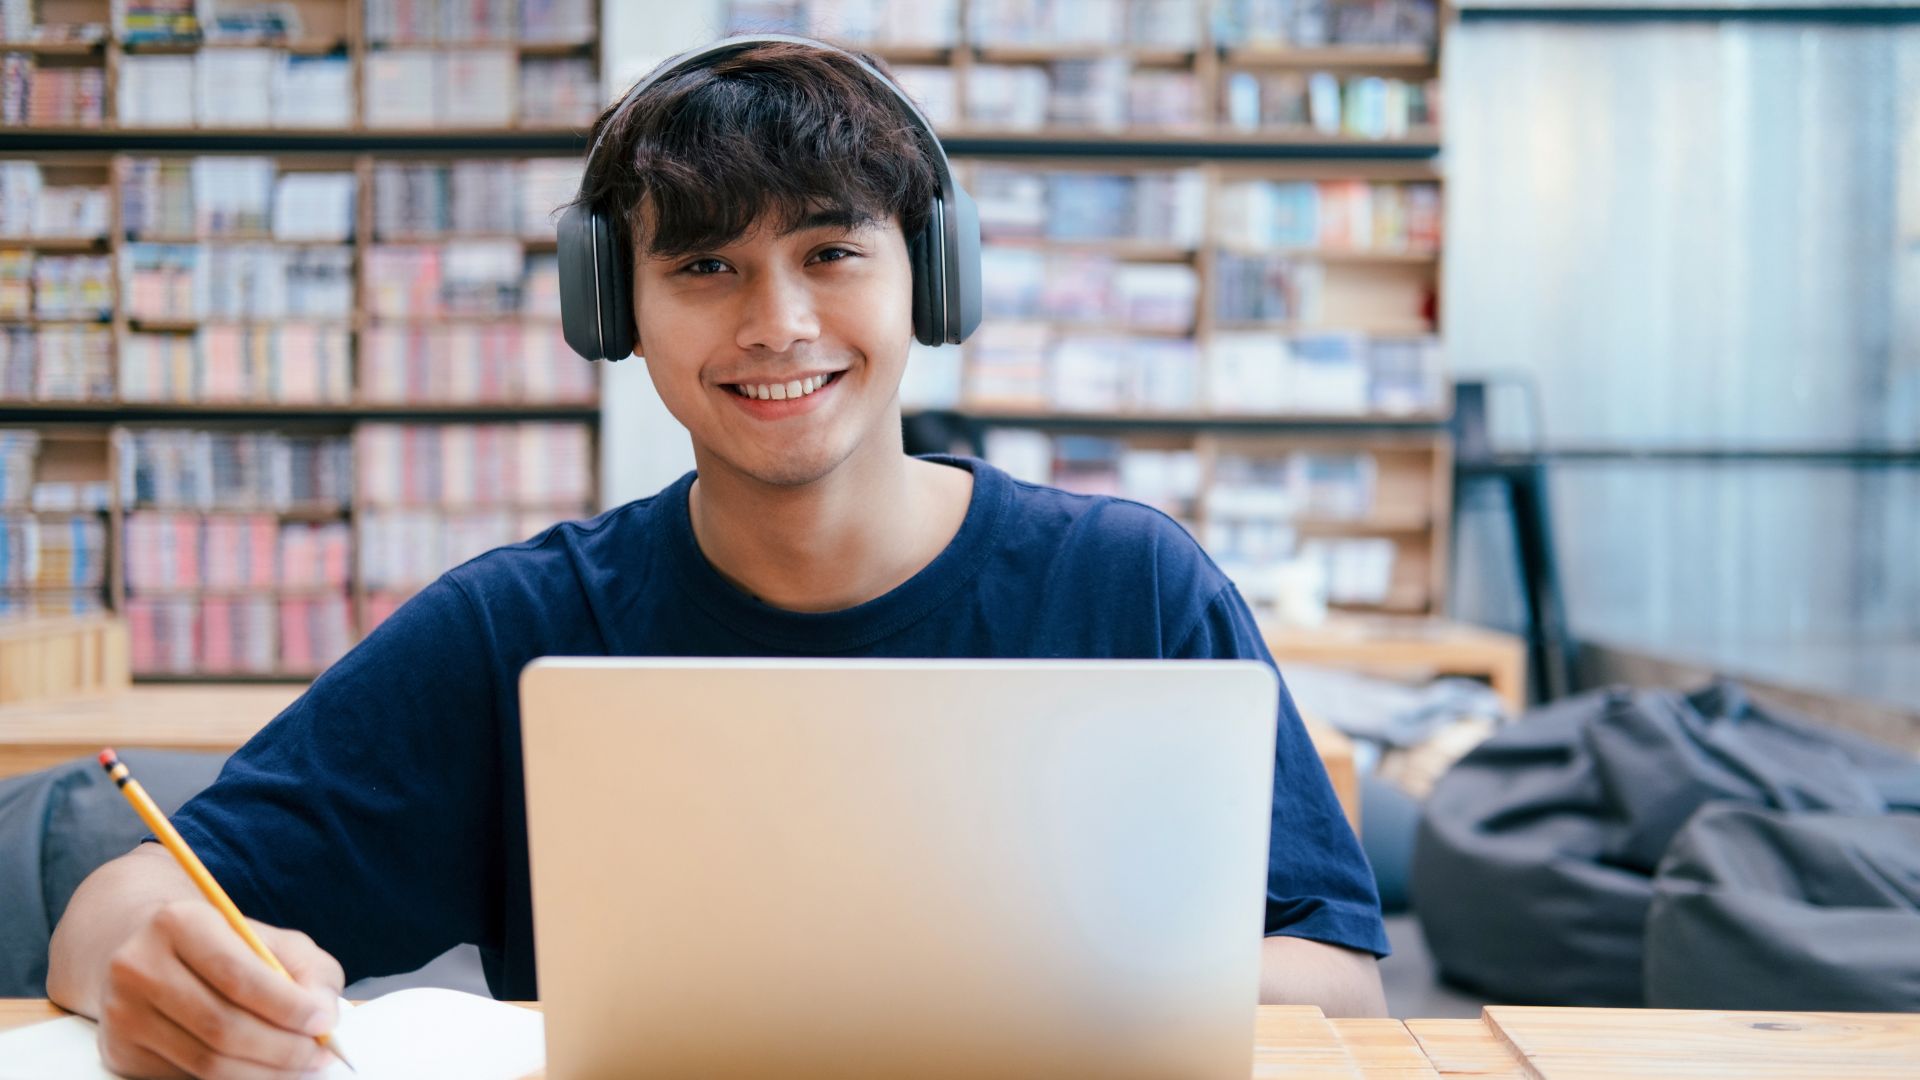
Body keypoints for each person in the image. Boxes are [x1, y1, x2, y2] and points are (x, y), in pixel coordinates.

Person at [48, 36, 1389, 1079]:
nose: (779, 323)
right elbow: (120, 903)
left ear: (929, 278)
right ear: (610, 306)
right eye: (705, 267)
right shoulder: (523, 628)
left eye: (829, 250)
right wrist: (155, 975)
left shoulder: (1127, 586)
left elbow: (1342, 987)